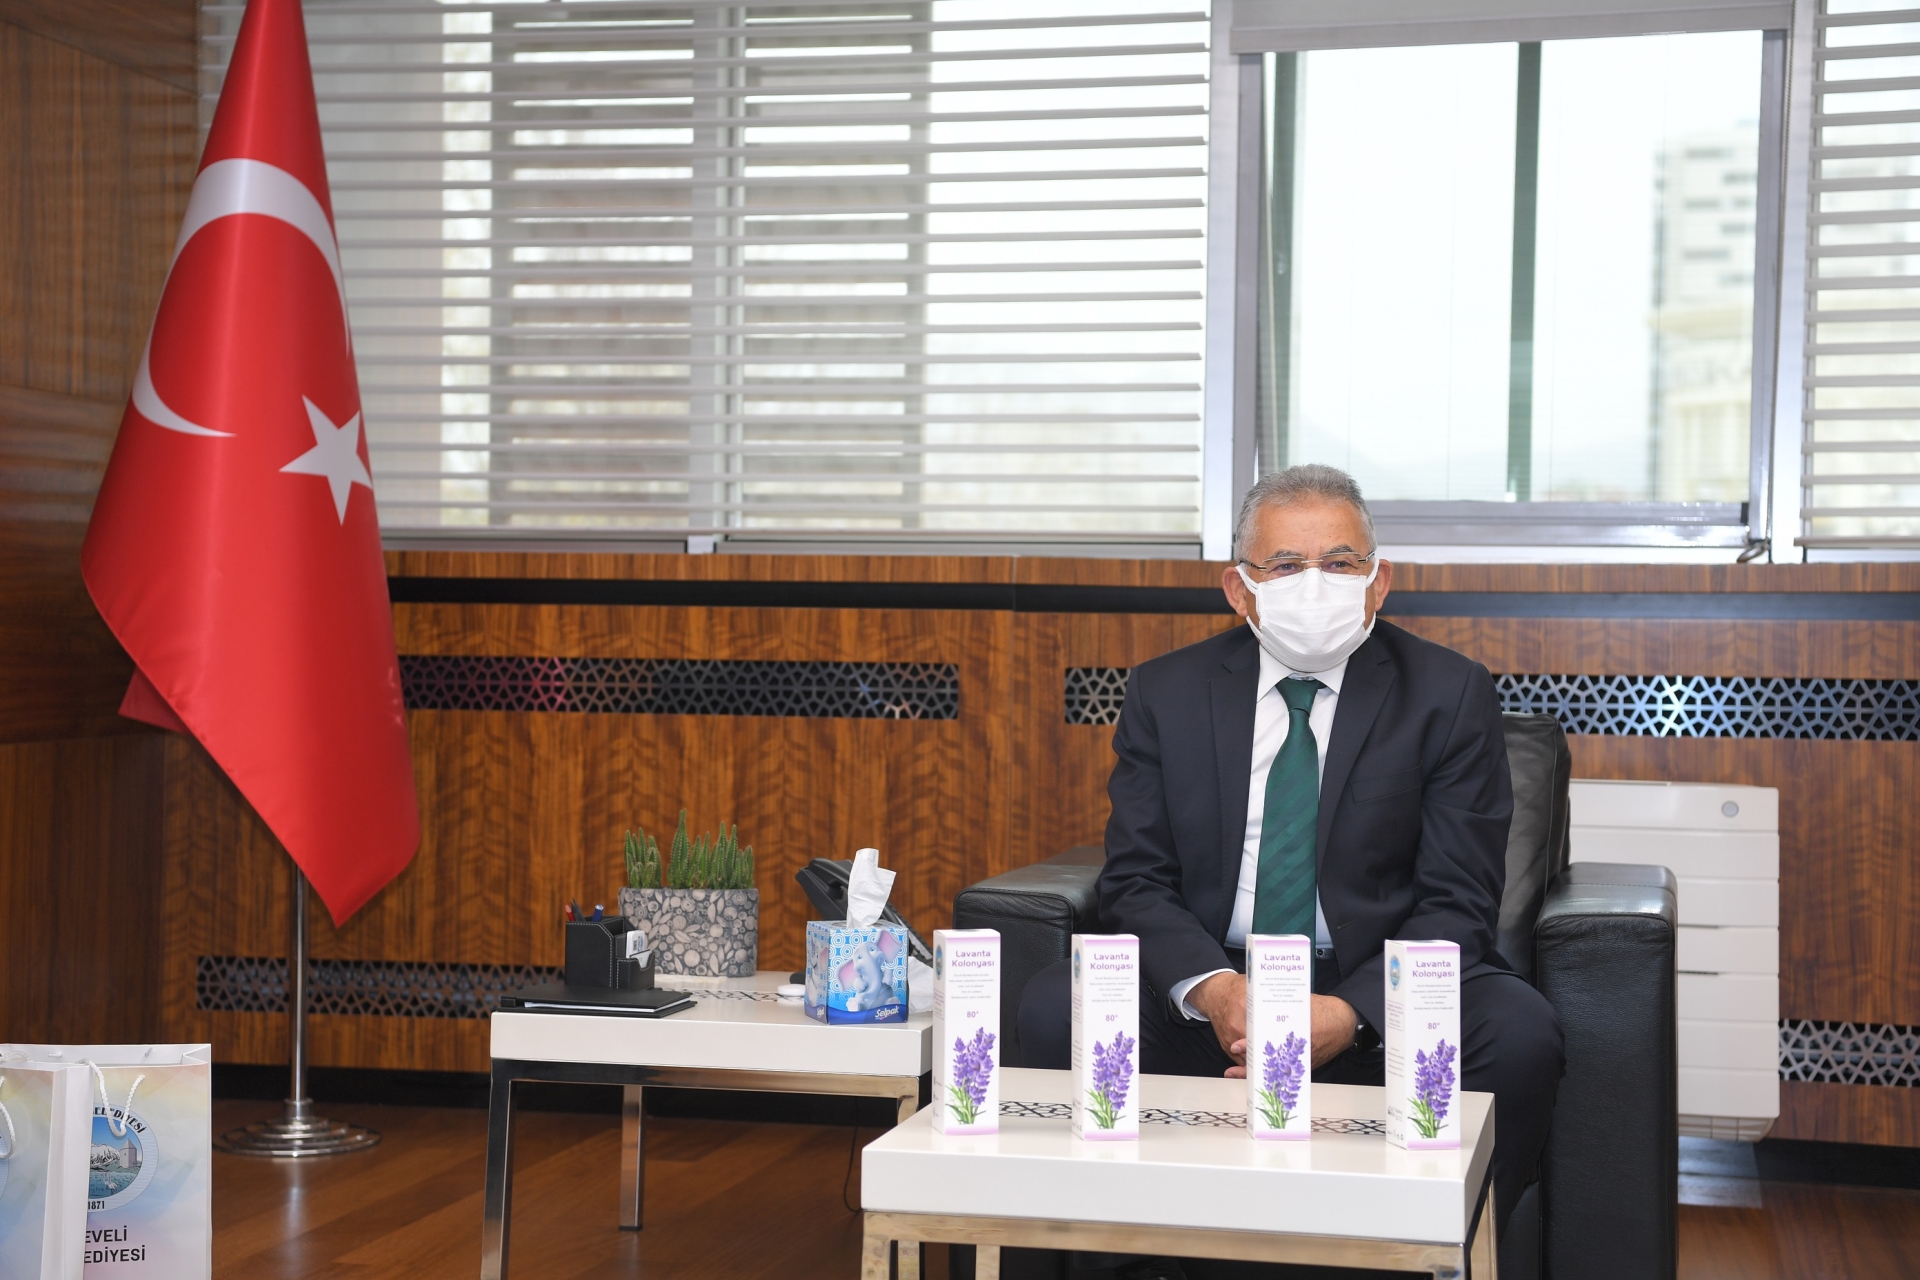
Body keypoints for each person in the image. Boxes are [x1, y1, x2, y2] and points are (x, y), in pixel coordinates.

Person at [1017, 464, 1564, 1269]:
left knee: (1516, 1034)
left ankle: (1429, 1254)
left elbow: (1460, 897)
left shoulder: (1448, 694)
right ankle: (1126, 1256)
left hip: (1376, 980)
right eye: (1284, 565)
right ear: (1239, 590)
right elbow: (1136, 878)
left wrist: (1349, 1012)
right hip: (1215, 979)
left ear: (1379, 582)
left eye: (1340, 563)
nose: (1316, 584)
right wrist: (1216, 991)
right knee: (1050, 1007)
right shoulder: (1168, 692)